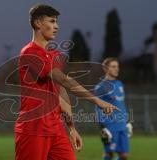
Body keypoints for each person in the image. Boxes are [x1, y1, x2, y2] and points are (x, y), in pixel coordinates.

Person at [15, 4, 119, 160]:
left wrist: (71, 128)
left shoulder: (53, 54)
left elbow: (61, 90)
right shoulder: (30, 52)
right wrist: (99, 101)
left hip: (56, 129)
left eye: (56, 22)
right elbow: (65, 80)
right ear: (38, 23)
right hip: (33, 128)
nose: (56, 26)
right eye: (51, 21)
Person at [95, 57, 133, 160]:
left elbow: (121, 104)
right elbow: (97, 107)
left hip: (122, 125)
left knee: (124, 156)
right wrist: (102, 127)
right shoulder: (101, 87)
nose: (117, 69)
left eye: (117, 66)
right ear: (106, 68)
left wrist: (127, 121)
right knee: (109, 154)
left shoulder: (119, 84)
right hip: (110, 125)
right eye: (113, 66)